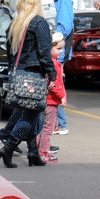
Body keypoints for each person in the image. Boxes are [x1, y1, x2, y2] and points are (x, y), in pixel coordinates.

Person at [0, 0, 55, 168]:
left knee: (31, 112)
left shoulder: (15, 24)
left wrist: (12, 73)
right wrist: (52, 74)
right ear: (37, 3)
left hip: (19, 74)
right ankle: (8, 148)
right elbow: (44, 53)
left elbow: (10, 54)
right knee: (31, 113)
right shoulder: (39, 23)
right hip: (34, 74)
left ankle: (32, 153)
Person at [34, 0, 73, 137]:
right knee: (50, 87)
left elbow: (64, 26)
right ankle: (56, 124)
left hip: (53, 50)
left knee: (53, 86)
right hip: (46, 50)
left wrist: (49, 42)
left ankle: (60, 123)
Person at [37, 32, 67, 163]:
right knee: (48, 128)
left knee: (42, 127)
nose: (61, 51)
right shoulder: (54, 64)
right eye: (58, 48)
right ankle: (43, 152)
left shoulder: (45, 62)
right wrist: (62, 97)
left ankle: (38, 148)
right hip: (51, 102)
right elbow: (55, 84)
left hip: (44, 100)